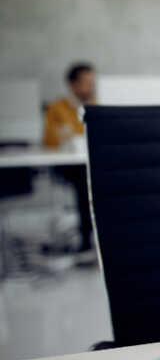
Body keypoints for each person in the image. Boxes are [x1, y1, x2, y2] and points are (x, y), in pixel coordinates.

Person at [43, 62, 96, 257]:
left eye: (92, 83)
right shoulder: (57, 108)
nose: (90, 88)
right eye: (85, 83)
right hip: (67, 166)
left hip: (89, 163)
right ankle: (85, 238)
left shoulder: (95, 105)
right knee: (85, 183)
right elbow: (49, 141)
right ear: (72, 84)